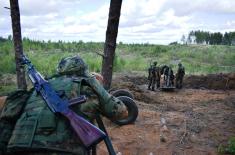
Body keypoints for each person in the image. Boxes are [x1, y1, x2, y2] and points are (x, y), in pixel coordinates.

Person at [0, 55, 127, 155]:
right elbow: (121, 113)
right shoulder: (86, 87)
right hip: (66, 150)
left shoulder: (33, 92)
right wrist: (95, 84)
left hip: (19, 148)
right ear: (83, 72)